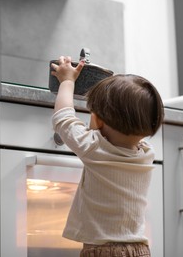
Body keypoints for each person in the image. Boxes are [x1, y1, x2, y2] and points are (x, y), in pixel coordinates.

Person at [50, 56, 164, 257]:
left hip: (103, 250)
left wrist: (67, 81)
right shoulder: (146, 153)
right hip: (140, 249)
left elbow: (63, 118)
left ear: (98, 120)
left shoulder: (94, 149)